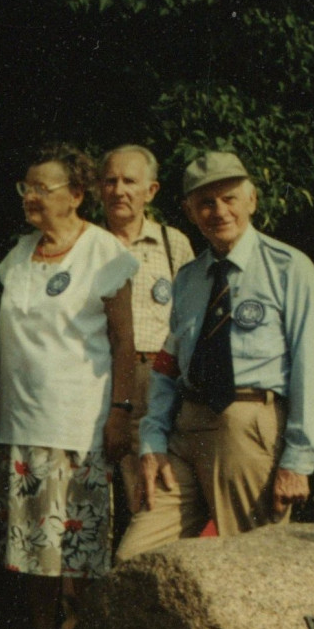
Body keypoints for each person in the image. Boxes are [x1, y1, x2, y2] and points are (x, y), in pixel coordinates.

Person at [122, 152, 314, 559]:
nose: (219, 211)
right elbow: (167, 367)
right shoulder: (188, 279)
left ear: (251, 200)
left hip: (247, 429)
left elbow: (312, 366)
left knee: (255, 569)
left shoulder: (289, 268)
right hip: (185, 432)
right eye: (206, 203)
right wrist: (152, 440)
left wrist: (299, 459)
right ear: (190, 212)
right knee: (135, 560)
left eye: (229, 198)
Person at [0, 145, 139, 629]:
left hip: (78, 423)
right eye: (25, 188)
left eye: (42, 189)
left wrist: (121, 411)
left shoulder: (104, 253)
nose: (30, 198)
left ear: (77, 195)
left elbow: (125, 343)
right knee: (35, 548)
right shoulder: (19, 254)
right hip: (23, 422)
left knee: (78, 549)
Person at [97, 145, 194, 532]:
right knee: (97, 492)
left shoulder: (175, 244)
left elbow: (190, 323)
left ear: (150, 191)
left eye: (130, 181)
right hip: (98, 379)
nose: (119, 190)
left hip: (157, 381)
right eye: (110, 180)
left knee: (150, 492)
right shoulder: (86, 244)